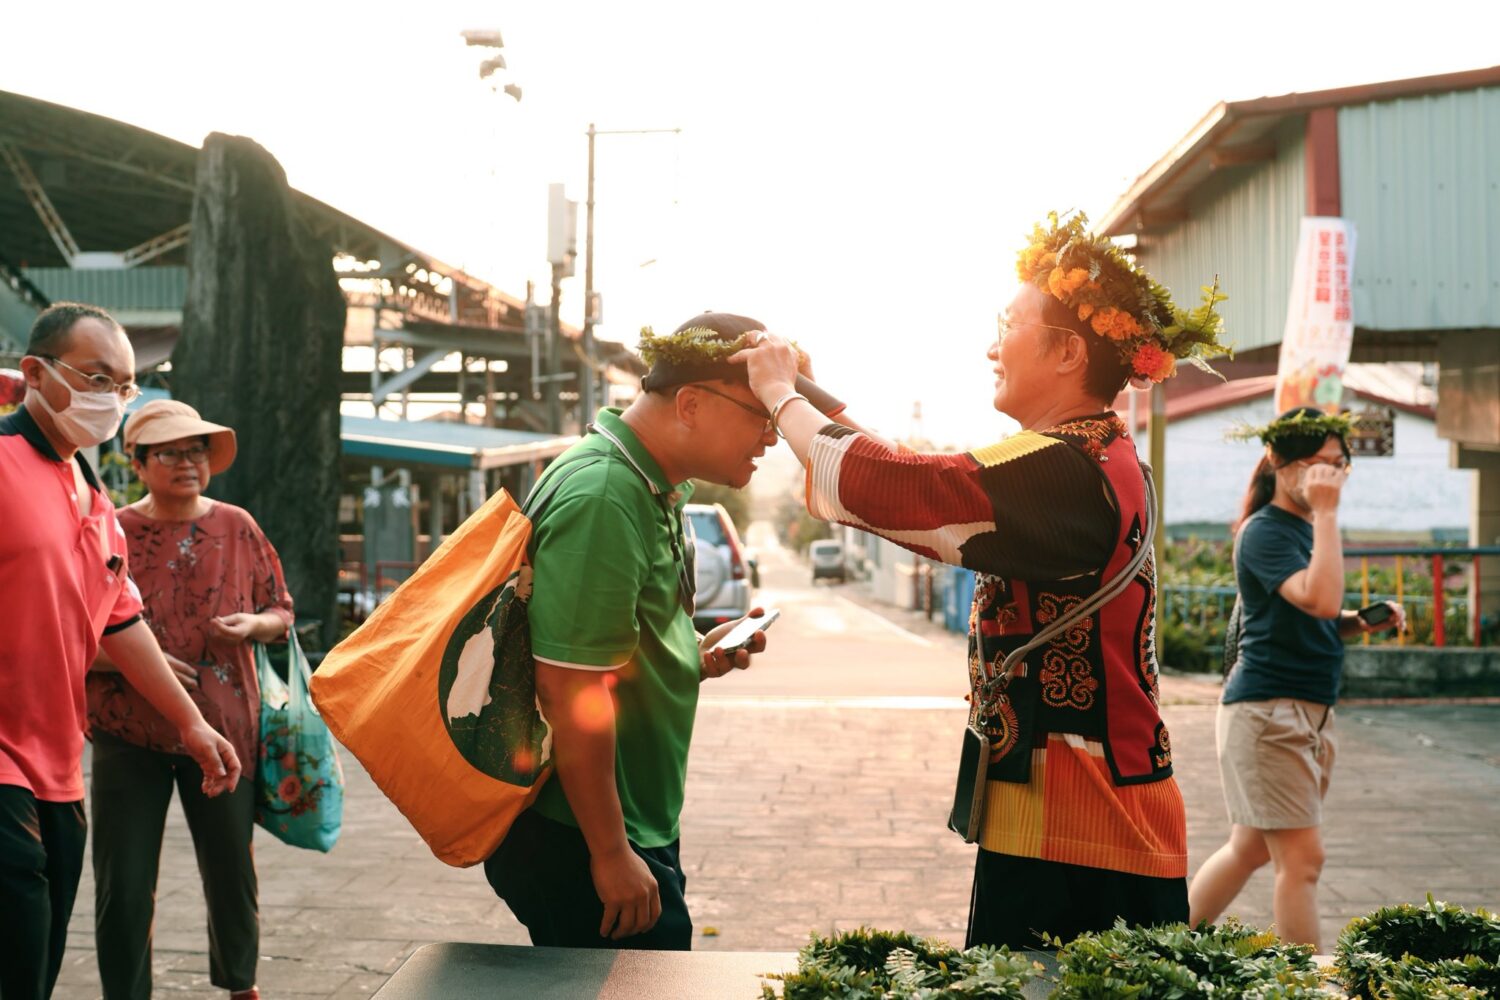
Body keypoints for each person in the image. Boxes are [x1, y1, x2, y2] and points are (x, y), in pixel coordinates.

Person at [732, 213, 1233, 948]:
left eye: (1008, 326)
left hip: (1081, 817)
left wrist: (782, 396)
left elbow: (908, 489)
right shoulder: (1085, 452)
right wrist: (805, 390)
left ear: (1068, 350)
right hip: (1087, 801)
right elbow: (916, 478)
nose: (992, 348)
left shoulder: (1061, 466)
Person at [483, 312, 779, 950]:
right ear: (691, 404)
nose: (773, 437)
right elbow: (569, 688)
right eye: (763, 415)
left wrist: (691, 656)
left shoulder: (647, 483)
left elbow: (605, 650)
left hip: (622, 823)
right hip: (582, 833)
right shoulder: (606, 495)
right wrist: (611, 853)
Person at [0, 302, 241, 1000]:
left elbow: (119, 621)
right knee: (17, 941)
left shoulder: (94, 497)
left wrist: (191, 724)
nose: (112, 397)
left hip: (57, 766)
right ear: (35, 373)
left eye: (125, 383)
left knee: (36, 967)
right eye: (97, 377)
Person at [87, 399, 293, 1000]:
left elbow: (281, 610)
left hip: (225, 727)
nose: (187, 463)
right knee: (123, 883)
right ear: (138, 463)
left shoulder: (237, 525)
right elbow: (67, 628)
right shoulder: (108, 529)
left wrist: (253, 626)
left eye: (197, 450)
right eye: (171, 453)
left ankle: (241, 985)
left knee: (231, 869)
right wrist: (133, 661)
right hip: (127, 729)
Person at [1187, 408, 1403, 950]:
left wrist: (1359, 622)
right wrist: (1327, 513)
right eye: (1316, 464)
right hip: (1270, 713)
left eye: (1338, 465)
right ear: (1279, 464)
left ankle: (1171, 943)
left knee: (1249, 849)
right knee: (1303, 860)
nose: (1329, 475)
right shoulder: (1265, 530)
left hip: (1304, 710)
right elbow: (1319, 597)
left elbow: (1316, 613)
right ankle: (1304, 982)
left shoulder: (1302, 529)